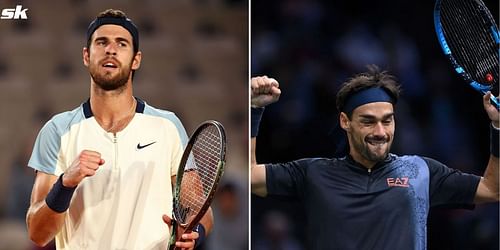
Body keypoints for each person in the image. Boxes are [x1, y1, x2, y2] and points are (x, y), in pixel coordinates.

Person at [250, 65, 499, 249]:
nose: (380, 132)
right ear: (345, 122)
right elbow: (251, 177)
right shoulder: (312, 173)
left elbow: (492, 189)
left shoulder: (421, 170)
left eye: (386, 121)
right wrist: (254, 110)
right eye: (368, 122)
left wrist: (497, 127)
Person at [26, 9, 213, 250]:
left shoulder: (168, 126)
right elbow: (38, 233)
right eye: (101, 42)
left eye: (121, 44)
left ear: (136, 59)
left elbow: (200, 213)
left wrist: (192, 234)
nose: (110, 50)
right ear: (86, 55)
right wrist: (65, 184)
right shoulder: (57, 130)